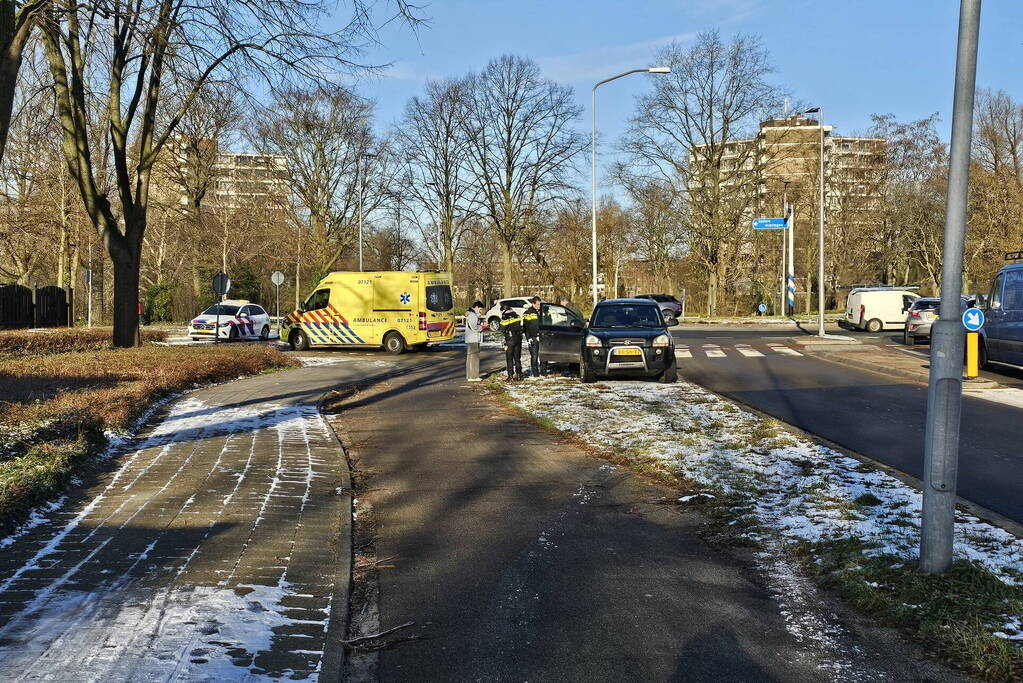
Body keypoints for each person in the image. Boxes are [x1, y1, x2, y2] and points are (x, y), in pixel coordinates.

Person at [500, 301, 523, 381]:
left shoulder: (505, 316)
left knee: (509, 358)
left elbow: (502, 328)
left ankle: (510, 375)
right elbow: (520, 325)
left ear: (504, 310)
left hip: (510, 339)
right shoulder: (516, 315)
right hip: (518, 338)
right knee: (517, 358)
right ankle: (519, 374)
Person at [522, 295, 543, 377]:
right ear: (533, 304)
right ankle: (535, 373)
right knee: (534, 356)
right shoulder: (528, 313)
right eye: (537, 304)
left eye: (540, 304)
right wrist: (529, 338)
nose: (539, 306)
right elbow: (525, 327)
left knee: (543, 355)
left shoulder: (542, 311)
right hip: (533, 337)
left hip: (542, 336)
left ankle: (543, 371)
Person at [465, 301, 484, 382]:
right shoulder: (473, 315)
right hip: (473, 338)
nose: (481, 311)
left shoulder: (471, 314)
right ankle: (474, 376)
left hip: (471, 338)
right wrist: (482, 327)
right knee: (474, 358)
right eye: (480, 309)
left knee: (471, 357)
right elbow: (474, 327)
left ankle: (470, 375)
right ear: (476, 307)